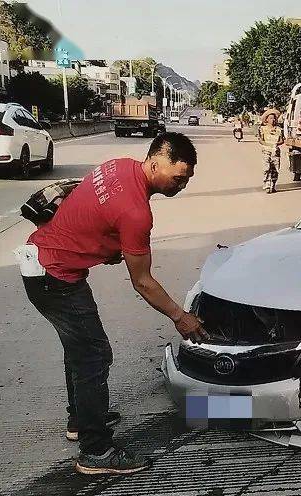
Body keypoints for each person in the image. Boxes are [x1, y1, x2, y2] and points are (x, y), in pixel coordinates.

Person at [17, 132, 208, 476]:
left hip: (44, 264)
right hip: (55, 276)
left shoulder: (117, 166)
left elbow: (87, 205)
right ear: (155, 163)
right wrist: (181, 317)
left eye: (187, 180)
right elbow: (143, 282)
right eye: (178, 177)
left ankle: (80, 419)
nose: (182, 186)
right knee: (94, 355)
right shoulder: (137, 213)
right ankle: (96, 451)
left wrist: (103, 245)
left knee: (79, 348)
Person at [258, 109, 284, 192]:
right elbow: (261, 140)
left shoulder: (279, 130)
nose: (272, 120)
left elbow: (282, 140)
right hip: (266, 151)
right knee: (266, 169)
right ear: (267, 119)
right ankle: (267, 185)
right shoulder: (262, 129)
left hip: (275, 152)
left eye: (274, 118)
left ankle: (273, 185)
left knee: (275, 169)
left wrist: (276, 144)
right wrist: (267, 145)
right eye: (271, 118)